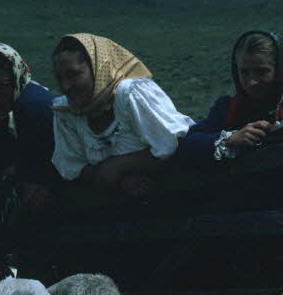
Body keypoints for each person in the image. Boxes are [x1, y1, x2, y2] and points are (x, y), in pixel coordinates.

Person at [50, 33, 193, 198]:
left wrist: (119, 165)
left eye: (73, 75)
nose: (65, 86)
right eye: (59, 78)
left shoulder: (130, 94)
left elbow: (175, 144)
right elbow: (72, 166)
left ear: (98, 68)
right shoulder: (66, 111)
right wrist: (118, 179)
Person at [177, 29, 283, 165]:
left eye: (262, 72)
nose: (252, 82)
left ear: (281, 70)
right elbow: (187, 144)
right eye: (244, 72)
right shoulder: (227, 108)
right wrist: (230, 139)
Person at [0, 43, 60, 207]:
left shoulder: (38, 110)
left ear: (16, 83)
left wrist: (17, 176)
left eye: (0, 86)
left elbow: (55, 159)